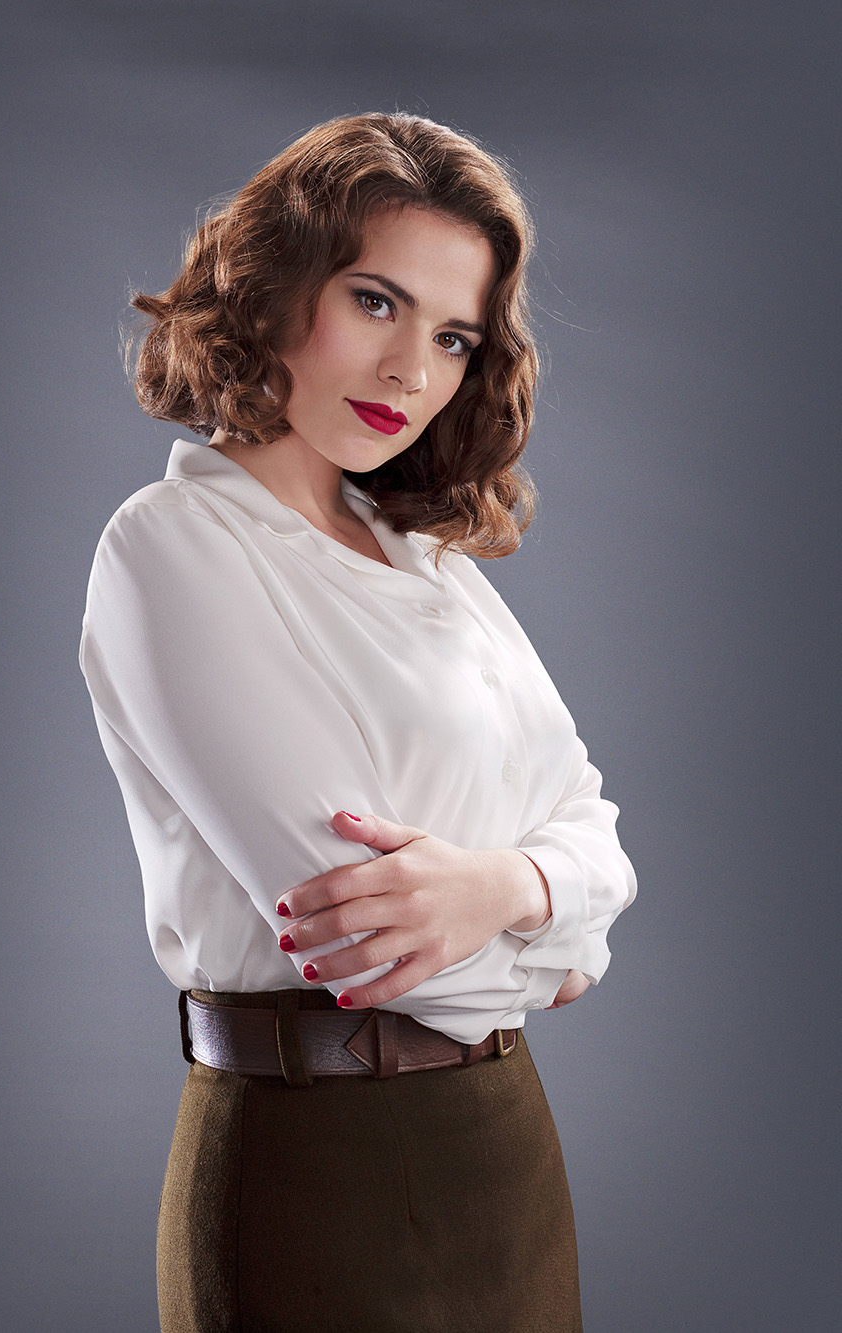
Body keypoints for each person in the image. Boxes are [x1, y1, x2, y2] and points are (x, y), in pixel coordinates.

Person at [80, 111, 636, 1332]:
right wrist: (559, 935)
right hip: (305, 1159)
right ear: (274, 286)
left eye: (451, 337)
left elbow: (594, 824)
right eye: (376, 302)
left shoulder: (428, 559)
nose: (409, 372)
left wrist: (504, 888)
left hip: (504, 1143)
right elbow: (359, 940)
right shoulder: (172, 547)